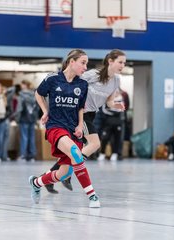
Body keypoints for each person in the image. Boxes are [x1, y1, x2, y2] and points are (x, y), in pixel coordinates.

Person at [44, 49, 126, 193]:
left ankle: (49, 177)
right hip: (78, 114)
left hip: (91, 115)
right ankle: (71, 169)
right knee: (94, 144)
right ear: (110, 61)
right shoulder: (93, 75)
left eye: (124, 63)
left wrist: (115, 105)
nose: (123, 65)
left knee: (73, 151)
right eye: (120, 62)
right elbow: (71, 81)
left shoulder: (116, 80)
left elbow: (109, 101)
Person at [29, 49, 100, 208]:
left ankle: (36, 182)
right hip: (55, 126)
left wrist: (80, 125)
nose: (85, 67)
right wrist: (45, 111)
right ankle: (92, 196)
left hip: (73, 129)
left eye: (86, 64)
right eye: (83, 63)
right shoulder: (53, 78)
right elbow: (38, 94)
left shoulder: (82, 84)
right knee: (76, 152)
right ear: (71, 61)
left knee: (64, 173)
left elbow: (81, 107)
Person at [15, 80, 39, 161]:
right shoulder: (34, 95)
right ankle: (32, 155)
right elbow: (37, 108)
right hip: (32, 119)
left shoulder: (21, 95)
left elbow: (19, 108)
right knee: (31, 138)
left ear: (25, 85)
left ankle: (23, 155)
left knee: (24, 138)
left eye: (22, 84)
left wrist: (17, 118)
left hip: (24, 118)